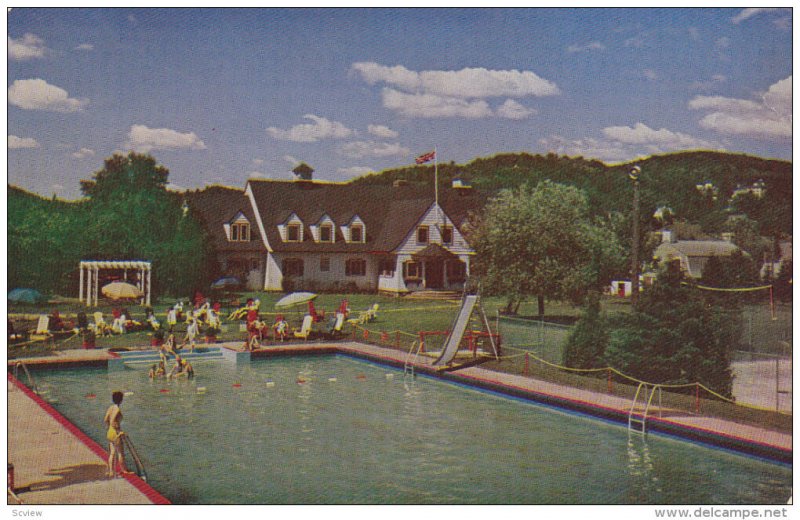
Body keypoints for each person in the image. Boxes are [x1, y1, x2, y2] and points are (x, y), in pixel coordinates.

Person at [103, 391, 131, 477]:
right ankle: (124, 470)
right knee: (120, 452)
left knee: (112, 452)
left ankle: (111, 471)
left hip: (110, 432)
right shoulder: (117, 409)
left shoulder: (110, 407)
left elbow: (106, 419)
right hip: (116, 432)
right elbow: (112, 421)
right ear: (121, 400)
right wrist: (119, 430)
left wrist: (110, 427)